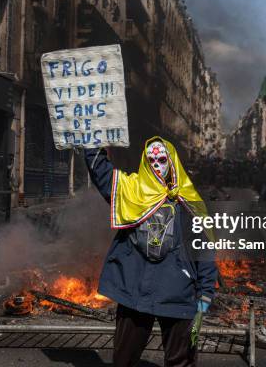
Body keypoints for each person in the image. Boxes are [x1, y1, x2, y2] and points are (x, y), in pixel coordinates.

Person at [85, 136, 217, 367]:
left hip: (179, 295)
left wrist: (205, 293)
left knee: (181, 362)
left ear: (172, 162)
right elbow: (101, 173)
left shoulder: (190, 202)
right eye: (152, 159)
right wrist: (91, 141)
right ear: (145, 162)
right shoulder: (131, 193)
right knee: (123, 359)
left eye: (162, 159)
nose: (157, 164)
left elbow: (203, 249)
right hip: (135, 292)